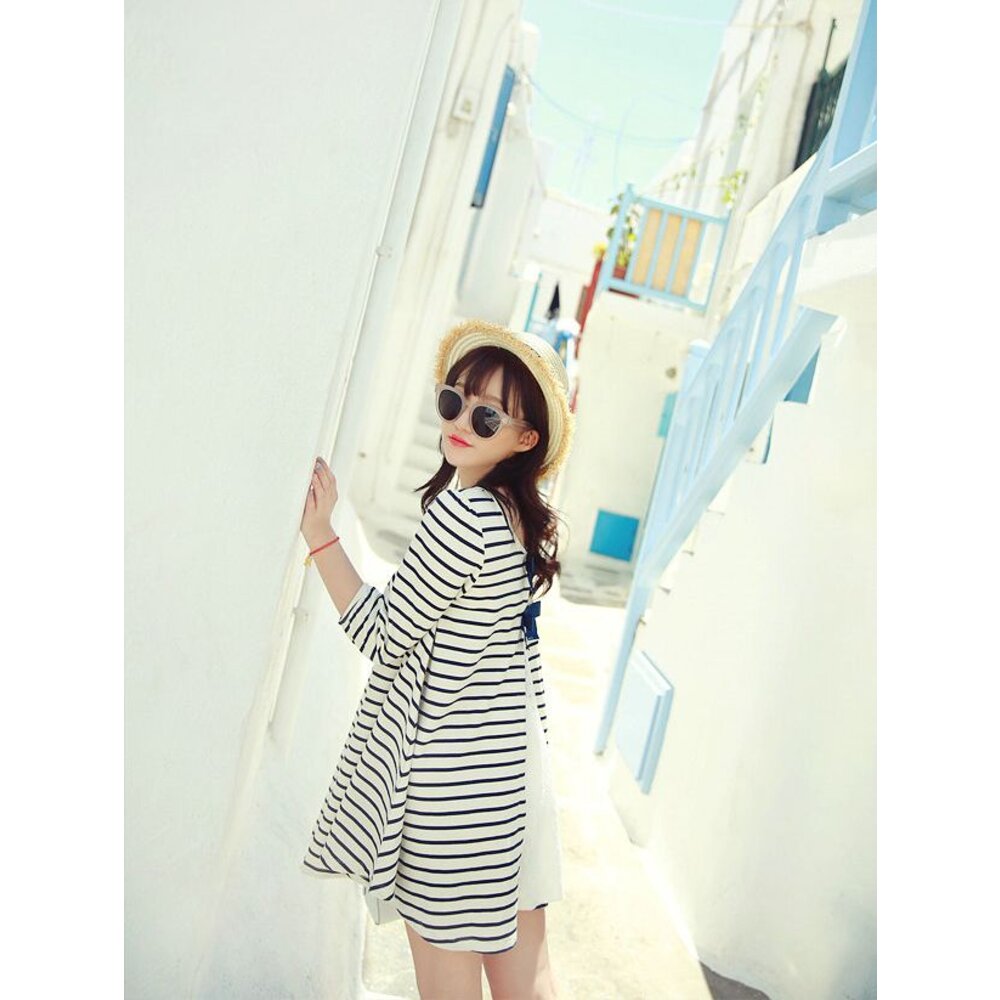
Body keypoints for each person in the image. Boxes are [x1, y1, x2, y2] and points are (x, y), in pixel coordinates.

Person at [299, 318, 576, 1000]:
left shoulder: (463, 515)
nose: (460, 423)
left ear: (525, 438)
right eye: (453, 400)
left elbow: (383, 636)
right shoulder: (516, 519)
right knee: (529, 985)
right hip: (514, 784)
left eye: (487, 416)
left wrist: (320, 535)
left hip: (454, 799)